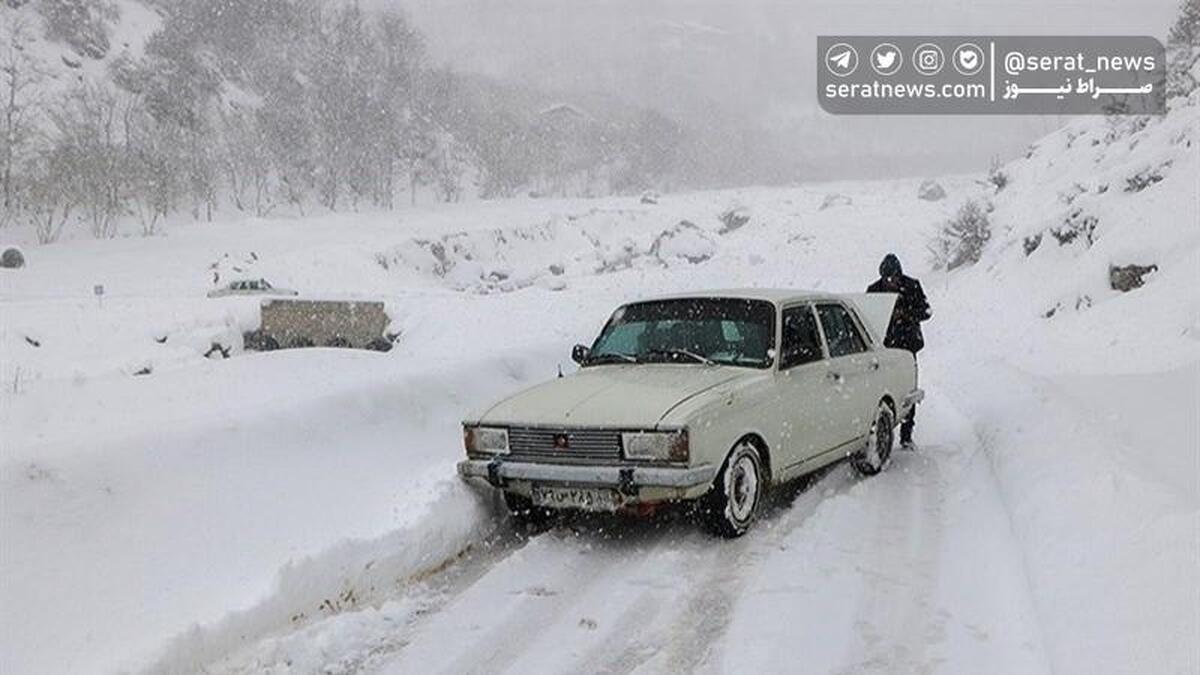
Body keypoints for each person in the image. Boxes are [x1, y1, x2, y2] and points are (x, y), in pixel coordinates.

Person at [866, 253, 931, 448]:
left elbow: (926, 311)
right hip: (883, 347)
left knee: (907, 391)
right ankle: (881, 434)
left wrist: (906, 314)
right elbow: (866, 315)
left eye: (893, 278)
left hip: (908, 347)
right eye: (886, 278)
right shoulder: (873, 290)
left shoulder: (912, 286)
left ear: (899, 275)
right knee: (881, 392)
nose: (890, 282)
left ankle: (906, 435)